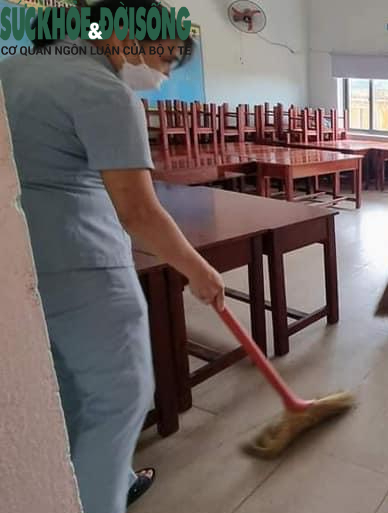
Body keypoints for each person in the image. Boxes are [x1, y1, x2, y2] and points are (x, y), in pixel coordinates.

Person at [0, 2, 225, 511]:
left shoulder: (11, 72)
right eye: (165, 59)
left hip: (20, 266)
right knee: (117, 396)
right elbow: (140, 213)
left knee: (64, 394)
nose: (163, 76)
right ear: (124, 33)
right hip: (82, 267)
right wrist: (199, 270)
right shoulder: (101, 88)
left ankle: (104, 481)